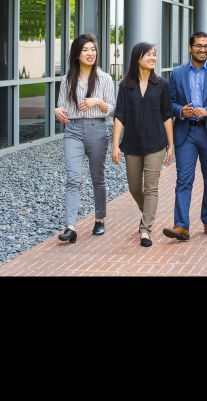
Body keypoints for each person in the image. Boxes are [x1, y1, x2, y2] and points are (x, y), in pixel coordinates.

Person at [162, 31, 207, 242]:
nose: (203, 49)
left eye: (206, 46)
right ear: (189, 47)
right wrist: (180, 111)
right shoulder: (177, 73)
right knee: (184, 179)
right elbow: (170, 103)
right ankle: (181, 226)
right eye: (199, 45)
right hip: (186, 132)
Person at [54, 33, 115, 243]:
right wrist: (57, 111)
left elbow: (113, 109)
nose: (90, 53)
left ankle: (100, 219)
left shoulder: (105, 78)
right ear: (77, 54)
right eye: (85, 50)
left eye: (93, 50)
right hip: (72, 131)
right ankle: (70, 227)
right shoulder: (66, 79)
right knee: (73, 179)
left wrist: (97, 101)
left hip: (97, 130)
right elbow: (61, 104)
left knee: (98, 178)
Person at [111, 42, 174, 247]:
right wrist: (115, 145)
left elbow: (167, 116)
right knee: (134, 186)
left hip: (156, 143)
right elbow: (119, 116)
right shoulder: (125, 86)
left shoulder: (162, 84)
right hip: (132, 144)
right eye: (148, 54)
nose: (153, 58)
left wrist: (171, 145)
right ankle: (148, 212)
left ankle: (145, 229)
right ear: (137, 58)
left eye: (154, 54)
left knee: (151, 187)